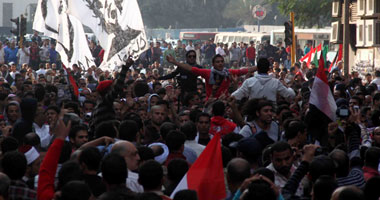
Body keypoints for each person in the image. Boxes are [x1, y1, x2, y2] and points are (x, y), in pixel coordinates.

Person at [166, 54, 253, 99]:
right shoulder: (207, 73)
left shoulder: (228, 73)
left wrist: (261, 66)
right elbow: (191, 69)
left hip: (225, 102)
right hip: (210, 102)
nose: (220, 63)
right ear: (213, 64)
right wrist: (175, 62)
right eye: (218, 62)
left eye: (222, 61)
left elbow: (244, 71)